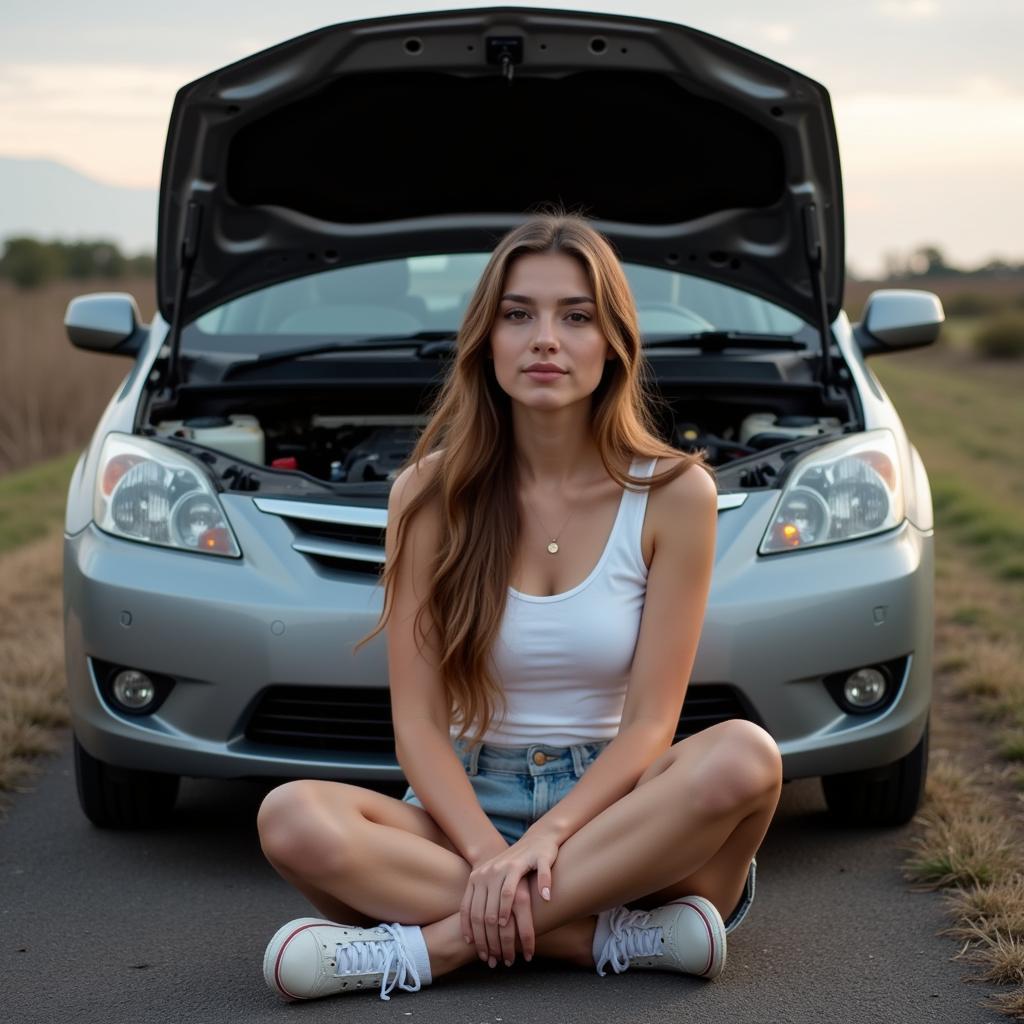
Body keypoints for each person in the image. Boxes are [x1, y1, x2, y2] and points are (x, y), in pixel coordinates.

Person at [256, 209, 783, 1004]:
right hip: (463, 807)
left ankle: (425, 953)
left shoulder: (675, 494)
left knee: (746, 756)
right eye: (518, 315)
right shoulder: (428, 494)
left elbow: (650, 725)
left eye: (576, 316)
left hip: (615, 814)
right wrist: (485, 851)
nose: (545, 338)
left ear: (611, 345)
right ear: (487, 340)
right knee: (290, 817)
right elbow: (420, 728)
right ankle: (601, 942)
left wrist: (545, 838)